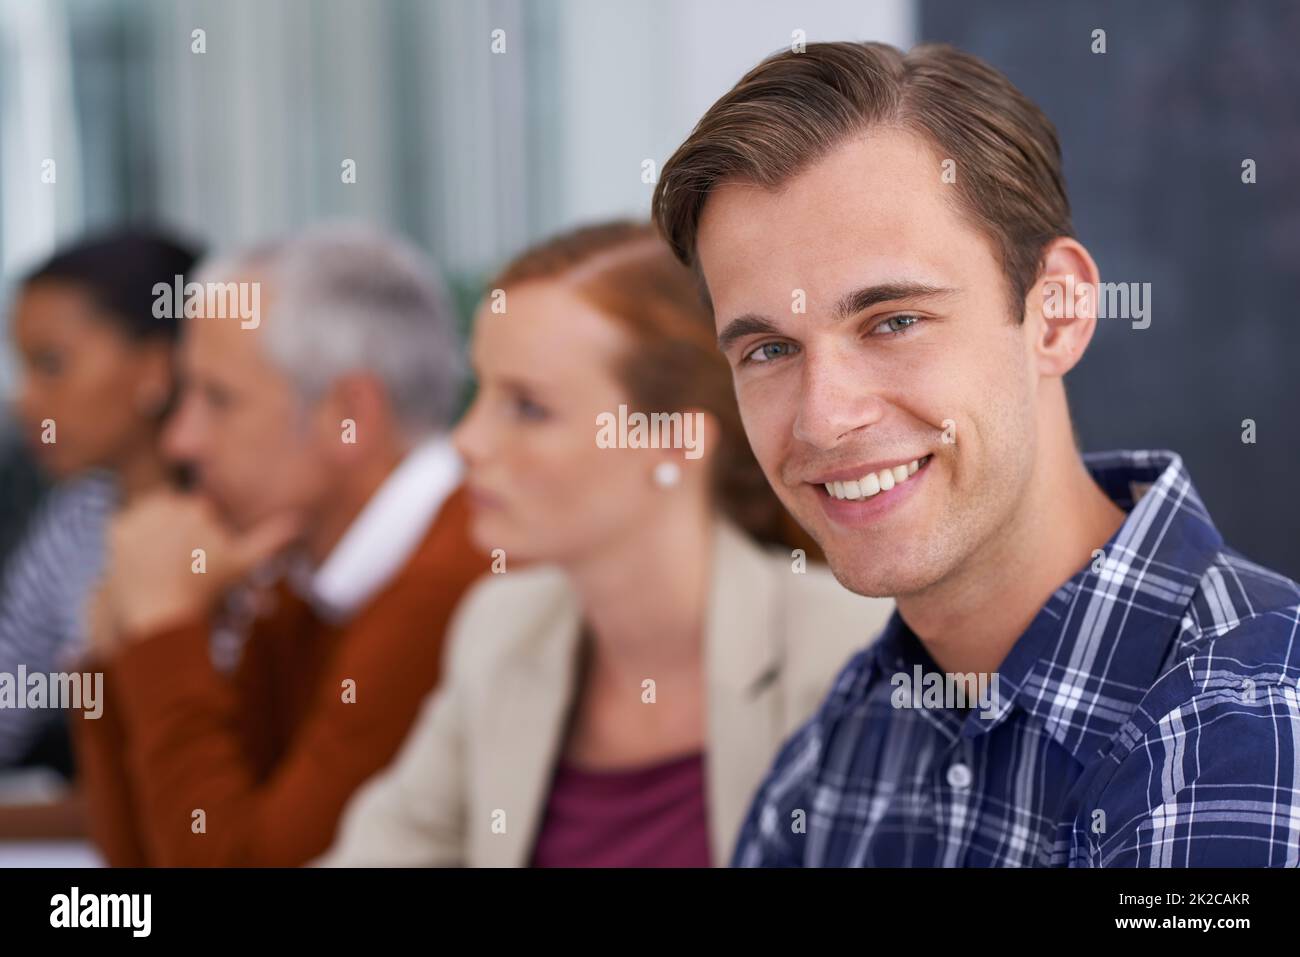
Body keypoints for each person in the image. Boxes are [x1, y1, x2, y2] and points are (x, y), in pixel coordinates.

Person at [652, 40, 1300, 867]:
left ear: (1056, 315)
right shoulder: (839, 744)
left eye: (893, 321)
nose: (822, 420)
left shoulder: (1248, 722)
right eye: (769, 351)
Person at [318, 221, 893, 867]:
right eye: (479, 393)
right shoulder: (500, 630)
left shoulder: (854, 653)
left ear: (676, 442)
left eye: (528, 408)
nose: (467, 442)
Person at [76, 223, 490, 866]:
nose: (179, 442)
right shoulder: (295, 580)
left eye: (218, 399)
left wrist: (162, 631)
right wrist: (116, 654)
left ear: (351, 415)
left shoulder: (451, 583)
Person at [1, 229, 199, 774]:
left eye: (51, 365)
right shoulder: (78, 517)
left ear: (155, 369)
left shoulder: (239, 521)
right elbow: (9, 703)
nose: (26, 401)